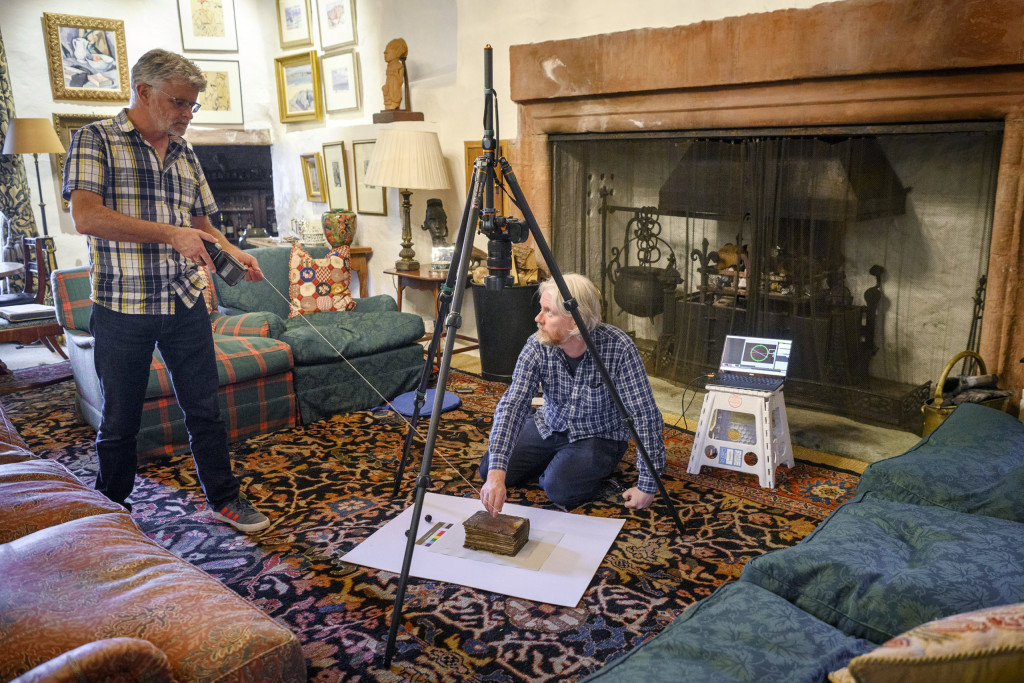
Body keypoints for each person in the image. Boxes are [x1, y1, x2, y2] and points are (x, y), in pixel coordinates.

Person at [63, 49, 270, 533]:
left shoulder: (186, 153)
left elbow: (200, 224)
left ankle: (224, 499)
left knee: (205, 410)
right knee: (119, 422)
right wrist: (168, 233)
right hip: (122, 306)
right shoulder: (94, 140)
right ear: (143, 92)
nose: (186, 115)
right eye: (179, 102)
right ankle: (111, 509)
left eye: (192, 106)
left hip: (184, 301)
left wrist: (231, 251)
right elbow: (86, 217)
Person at [478, 273, 666, 515]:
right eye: (540, 309)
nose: (538, 318)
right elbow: (513, 404)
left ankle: (580, 473)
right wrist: (496, 475)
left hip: (599, 435)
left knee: (557, 489)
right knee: (489, 469)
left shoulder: (618, 348)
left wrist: (647, 486)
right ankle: (559, 462)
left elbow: (644, 416)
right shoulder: (536, 345)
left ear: (575, 322)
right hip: (550, 424)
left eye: (548, 312)